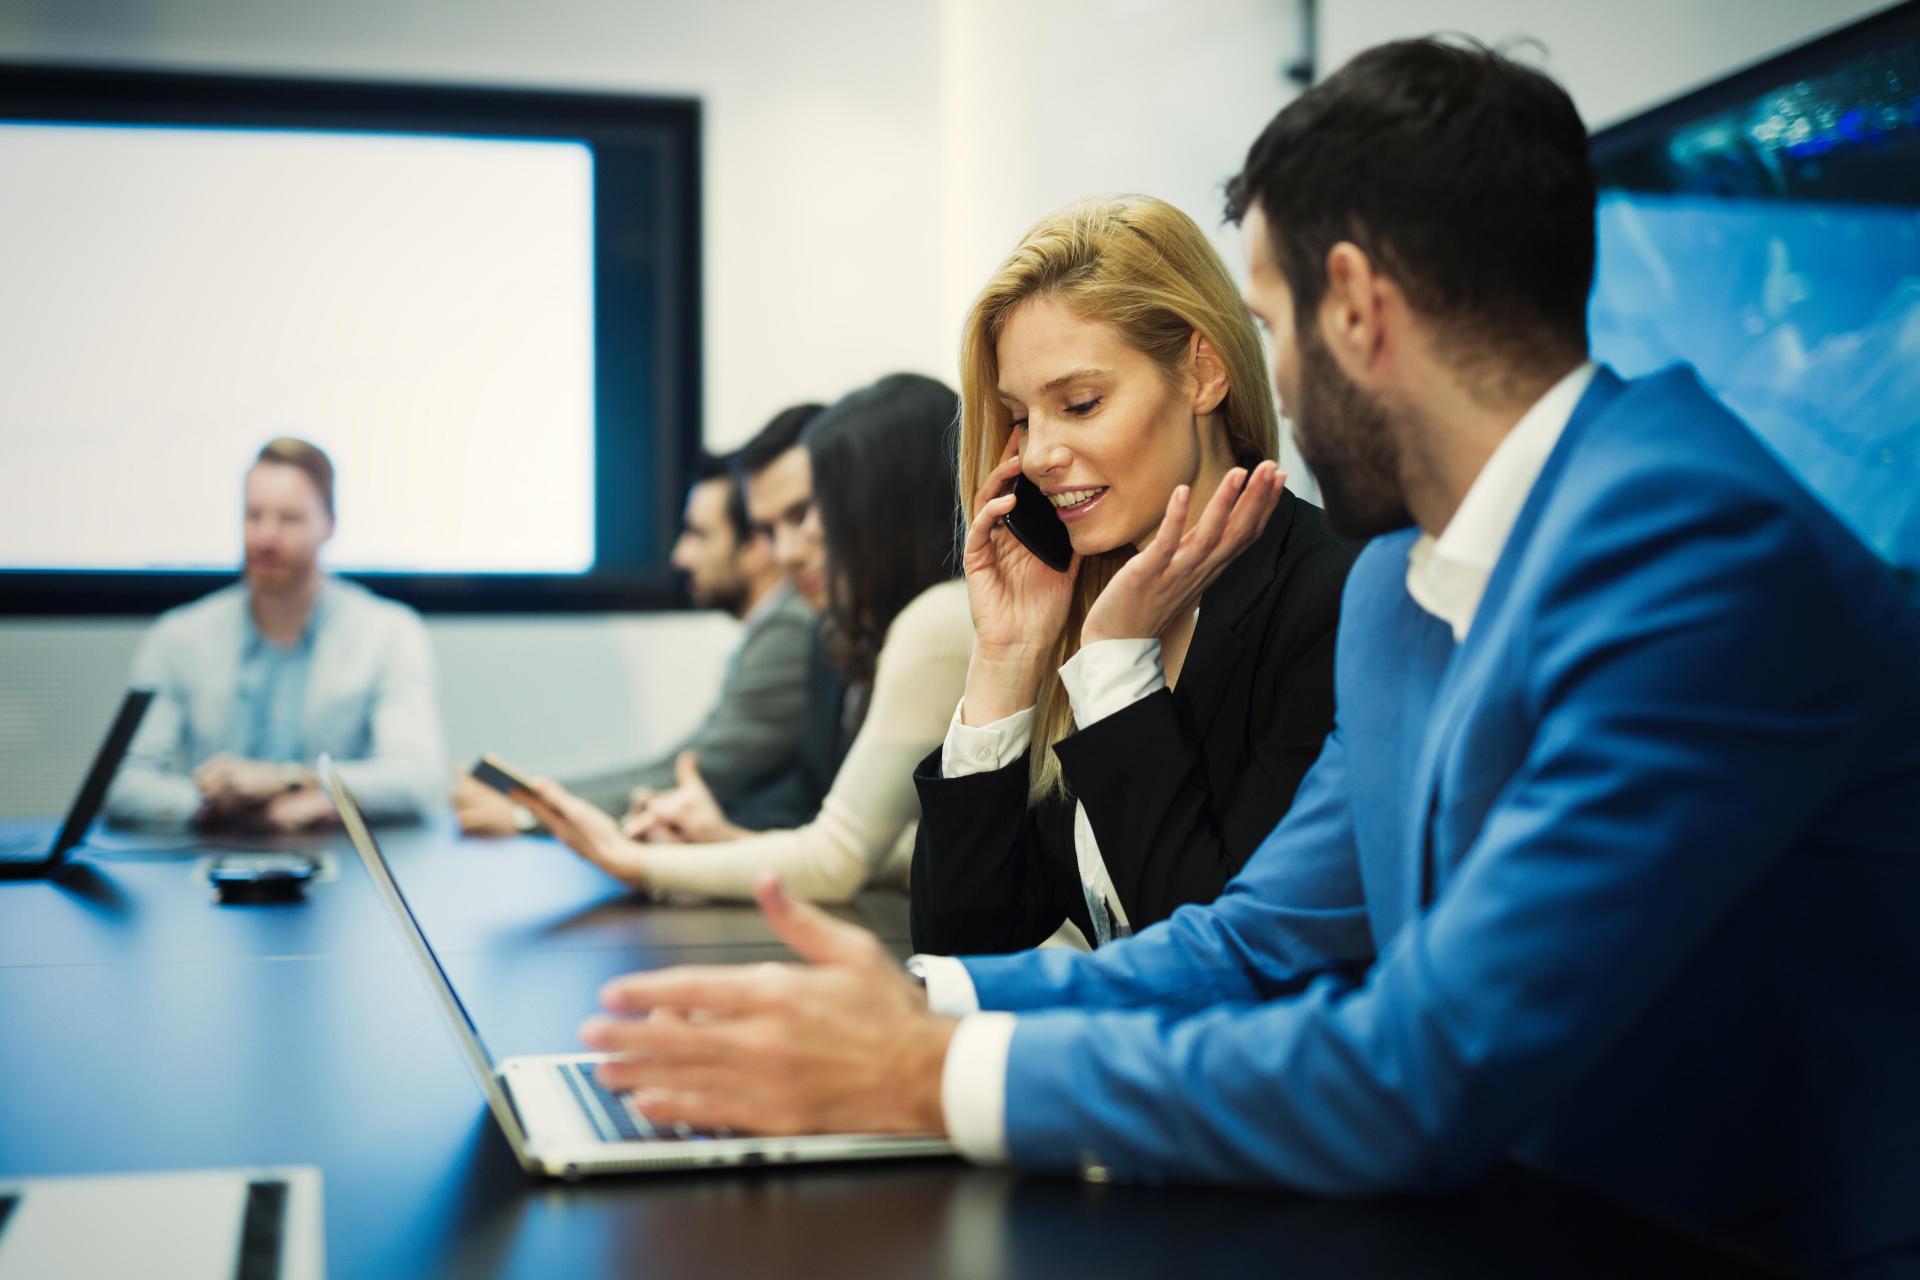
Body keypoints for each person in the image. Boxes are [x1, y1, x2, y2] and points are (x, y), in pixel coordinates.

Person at [566, 40, 1920, 1275]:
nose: (1268, 365)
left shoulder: (1695, 553)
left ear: (1354, 307)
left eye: (1267, 322)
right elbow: (1258, 939)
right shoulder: (1404, 581)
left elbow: (1424, 1068)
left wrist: (928, 1077)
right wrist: (925, 1000)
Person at [911, 195, 1353, 955]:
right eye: (1020, 416)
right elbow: (964, 951)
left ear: (1203, 372)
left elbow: (1222, 953)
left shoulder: (1330, 598)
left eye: (1079, 403)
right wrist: (1008, 661)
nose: (1039, 451)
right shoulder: (1086, 592)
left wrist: (1116, 659)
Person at [521, 373, 976, 903]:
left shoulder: (938, 620)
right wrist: (728, 842)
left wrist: (637, 861)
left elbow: (840, 857)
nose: (797, 544)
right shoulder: (871, 630)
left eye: (817, 510)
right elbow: (896, 846)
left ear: (885, 509)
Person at [451, 418, 821, 836]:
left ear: (755, 547)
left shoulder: (788, 629)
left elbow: (696, 775)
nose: (680, 556)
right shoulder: (777, 627)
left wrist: (529, 811)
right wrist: (531, 800)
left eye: (698, 535)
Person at [107, 437, 444, 829]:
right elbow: (122, 783)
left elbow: (418, 778)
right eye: (254, 515)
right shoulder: (179, 636)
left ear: (329, 524)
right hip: (211, 859)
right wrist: (209, 807)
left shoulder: (389, 631)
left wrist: (291, 781)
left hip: (338, 865)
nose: (266, 536)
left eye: (289, 518)